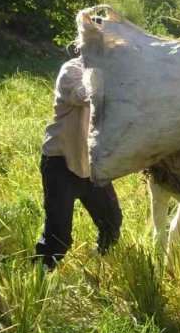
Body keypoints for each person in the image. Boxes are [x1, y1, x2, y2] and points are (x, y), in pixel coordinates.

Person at [34, 56, 122, 269]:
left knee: (111, 221)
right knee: (58, 238)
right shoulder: (71, 71)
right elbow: (83, 95)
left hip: (89, 164)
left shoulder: (109, 71)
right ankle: (38, 279)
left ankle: (101, 264)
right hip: (60, 164)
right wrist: (108, 76)